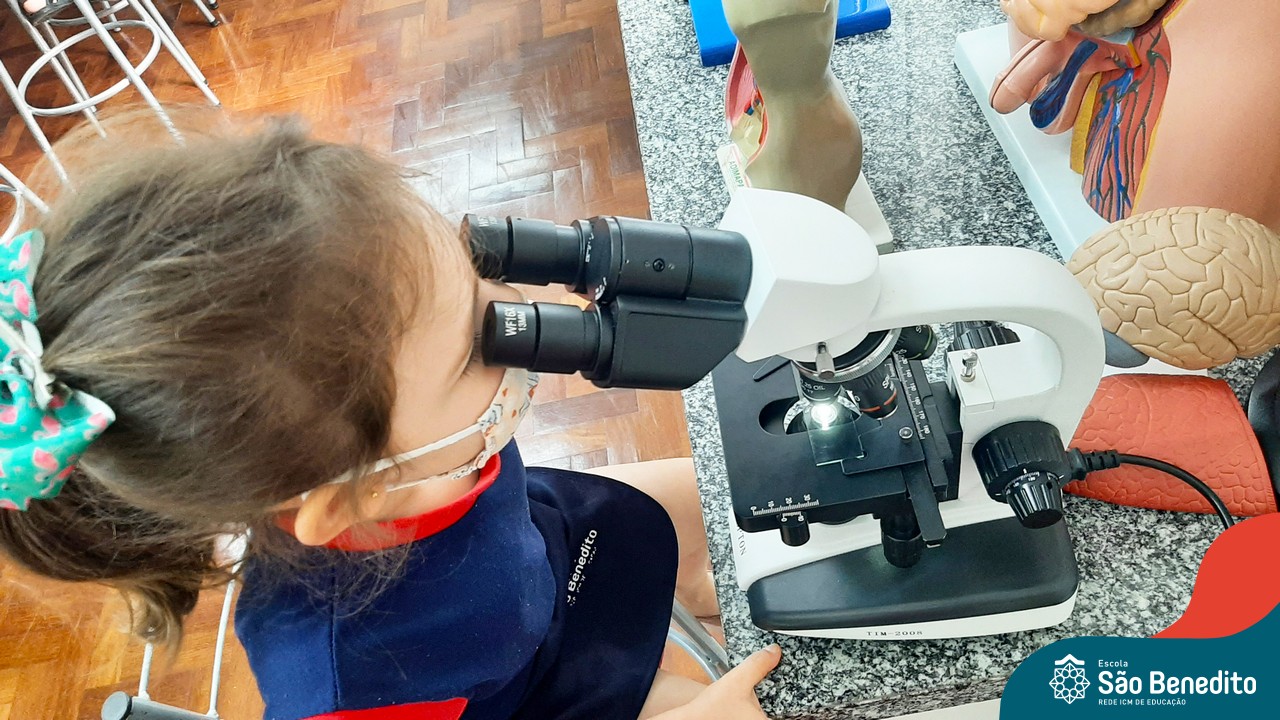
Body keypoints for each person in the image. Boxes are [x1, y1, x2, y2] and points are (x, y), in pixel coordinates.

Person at [0, 114, 781, 719]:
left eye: (481, 269)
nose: (514, 307)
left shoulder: (425, 455)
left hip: (543, 548)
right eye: (479, 346)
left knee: (750, 492)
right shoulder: (354, 684)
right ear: (363, 490)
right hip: (539, 694)